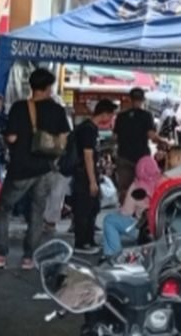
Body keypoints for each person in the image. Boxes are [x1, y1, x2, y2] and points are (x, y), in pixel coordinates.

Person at [0, 68, 70, 270]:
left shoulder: (20, 107)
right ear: (48, 87)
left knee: (4, 207)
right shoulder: (57, 109)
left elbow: (11, 137)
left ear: (32, 85)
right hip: (46, 168)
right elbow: (63, 139)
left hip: (21, 168)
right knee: (37, 212)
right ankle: (30, 257)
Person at [72, 99, 115, 255]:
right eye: (110, 115)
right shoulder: (88, 130)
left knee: (92, 207)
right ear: (104, 114)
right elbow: (87, 156)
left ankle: (88, 240)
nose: (110, 119)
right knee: (84, 208)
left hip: (88, 174)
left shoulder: (91, 128)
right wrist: (92, 181)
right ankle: (81, 242)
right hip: (84, 174)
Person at [102, 156, 162, 259]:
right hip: (161, 229)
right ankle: (109, 252)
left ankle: (114, 255)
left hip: (142, 230)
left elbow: (126, 212)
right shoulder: (162, 182)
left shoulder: (137, 186)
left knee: (109, 220)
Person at [113, 88, 165, 204]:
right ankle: (139, 214)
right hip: (142, 159)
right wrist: (163, 141)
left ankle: (124, 213)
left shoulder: (121, 116)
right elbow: (151, 135)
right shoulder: (147, 116)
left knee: (125, 189)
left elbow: (115, 137)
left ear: (129, 99)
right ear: (143, 100)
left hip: (124, 156)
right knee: (143, 187)